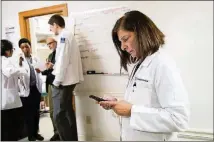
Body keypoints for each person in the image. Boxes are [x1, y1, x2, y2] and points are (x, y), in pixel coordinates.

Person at [98, 10, 190, 141]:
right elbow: (144, 103)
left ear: (142, 33)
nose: (123, 47)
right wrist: (116, 104)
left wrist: (132, 111)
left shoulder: (163, 64)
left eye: (125, 39)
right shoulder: (140, 64)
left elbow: (178, 118)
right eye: (120, 42)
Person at [48, 14, 84, 141]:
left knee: (58, 116)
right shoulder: (69, 35)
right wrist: (53, 66)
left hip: (63, 82)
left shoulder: (63, 36)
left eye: (51, 27)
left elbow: (63, 59)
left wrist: (56, 82)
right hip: (69, 80)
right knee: (68, 112)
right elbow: (63, 59)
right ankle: (73, 139)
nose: (50, 30)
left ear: (55, 25)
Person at [1, 39, 28, 141]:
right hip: (8, 102)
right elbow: (9, 72)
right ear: (7, 50)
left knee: (5, 130)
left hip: (6, 101)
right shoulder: (4, 60)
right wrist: (22, 70)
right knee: (11, 129)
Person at [18, 38, 44, 141]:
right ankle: (30, 135)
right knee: (28, 114)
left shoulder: (36, 58)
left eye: (27, 47)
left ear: (30, 47)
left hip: (35, 89)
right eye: (23, 47)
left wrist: (41, 68)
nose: (25, 49)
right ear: (20, 49)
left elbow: (42, 70)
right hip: (25, 91)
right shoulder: (18, 60)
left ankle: (36, 133)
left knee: (36, 112)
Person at [39, 37, 60, 141]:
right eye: (48, 44)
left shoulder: (61, 53)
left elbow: (62, 68)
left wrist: (53, 66)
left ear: (56, 42)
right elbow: (47, 73)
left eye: (50, 43)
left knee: (60, 111)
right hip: (51, 84)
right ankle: (56, 132)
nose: (49, 46)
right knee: (52, 111)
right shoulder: (50, 55)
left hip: (60, 85)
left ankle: (62, 133)